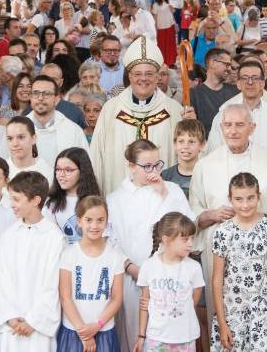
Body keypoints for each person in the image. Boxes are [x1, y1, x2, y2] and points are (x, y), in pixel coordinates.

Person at [189, 104, 267, 320]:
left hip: (260, 254)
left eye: (239, 125)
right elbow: (193, 208)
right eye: (228, 125)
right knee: (221, 315)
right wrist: (211, 214)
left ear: (252, 127)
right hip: (219, 249)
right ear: (221, 128)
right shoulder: (205, 166)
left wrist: (262, 216)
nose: (233, 131)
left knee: (259, 316)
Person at [106, 139, 193, 352]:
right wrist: (130, 267)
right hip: (131, 276)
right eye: (147, 166)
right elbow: (111, 239)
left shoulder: (171, 190)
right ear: (131, 166)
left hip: (169, 277)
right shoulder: (116, 198)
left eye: (157, 165)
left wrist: (163, 193)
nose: (153, 171)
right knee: (133, 334)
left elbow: (185, 227)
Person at [89, 36, 188, 193]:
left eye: (149, 74)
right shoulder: (111, 110)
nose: (143, 79)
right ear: (129, 76)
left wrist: (191, 125)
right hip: (119, 197)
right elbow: (96, 157)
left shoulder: (173, 110)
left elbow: (185, 158)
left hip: (161, 199)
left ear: (157, 77)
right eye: (137, 74)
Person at [0, 171, 66, 352]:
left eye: (17, 199)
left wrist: (34, 321)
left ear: (35, 200)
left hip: (39, 328)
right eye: (11, 199)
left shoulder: (54, 237)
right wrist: (10, 317)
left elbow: (53, 285)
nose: (12, 205)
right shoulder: (8, 235)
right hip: (13, 324)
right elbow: (2, 280)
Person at [210, 172, 267, 352]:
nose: (245, 205)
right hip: (232, 313)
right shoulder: (223, 232)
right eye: (239, 199)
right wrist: (222, 323)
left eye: (250, 198)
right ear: (230, 199)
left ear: (259, 197)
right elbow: (217, 280)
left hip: (264, 314)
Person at [56, 195, 125, 352]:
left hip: (104, 330)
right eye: (89, 220)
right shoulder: (69, 254)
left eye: (100, 220)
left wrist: (97, 325)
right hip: (74, 331)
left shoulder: (115, 256)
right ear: (79, 221)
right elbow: (65, 297)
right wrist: (84, 332)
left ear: (107, 222)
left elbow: (117, 298)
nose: (94, 225)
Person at [135, 212, 204, 352]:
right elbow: (144, 305)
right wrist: (141, 336)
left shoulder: (194, 268)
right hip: (156, 338)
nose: (191, 243)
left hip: (185, 338)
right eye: (185, 239)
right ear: (166, 240)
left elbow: (192, 301)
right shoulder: (149, 266)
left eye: (192, 238)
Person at [206, 60, 267, 159]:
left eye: (255, 78)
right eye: (245, 78)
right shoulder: (224, 113)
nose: (250, 82)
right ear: (238, 84)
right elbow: (214, 152)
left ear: (262, 83)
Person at [27, 75, 90, 166]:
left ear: (57, 99)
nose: (40, 98)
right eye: (36, 93)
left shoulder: (72, 130)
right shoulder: (19, 128)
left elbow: (85, 167)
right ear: (31, 98)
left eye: (47, 93)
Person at [44, 148, 101, 244]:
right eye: (58, 169)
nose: (61, 175)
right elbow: (49, 239)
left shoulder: (96, 202)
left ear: (82, 171)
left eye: (68, 170)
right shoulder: (51, 203)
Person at [190, 47, 239, 135]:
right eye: (226, 65)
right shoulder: (193, 94)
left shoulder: (235, 92)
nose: (230, 69)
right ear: (212, 63)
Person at [161, 118, 206, 198]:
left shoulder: (207, 175)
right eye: (181, 141)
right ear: (175, 144)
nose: (186, 146)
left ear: (202, 145)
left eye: (191, 142)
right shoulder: (166, 176)